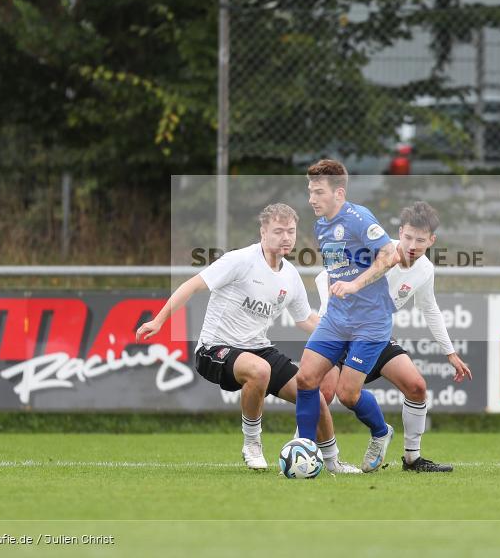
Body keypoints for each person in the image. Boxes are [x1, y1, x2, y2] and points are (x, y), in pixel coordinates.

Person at [136, 203, 360, 474]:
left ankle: (333, 462)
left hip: (258, 349)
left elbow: (306, 320)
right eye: (278, 231)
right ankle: (252, 443)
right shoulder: (239, 260)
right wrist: (159, 320)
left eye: (290, 231)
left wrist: (342, 339)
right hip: (215, 349)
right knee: (260, 369)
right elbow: (191, 285)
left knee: (314, 396)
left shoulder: (290, 275)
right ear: (263, 232)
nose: (286, 237)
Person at [316, 201, 472, 472]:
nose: (412, 245)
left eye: (420, 240)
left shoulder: (425, 270)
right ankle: (304, 448)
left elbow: (429, 309)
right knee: (326, 393)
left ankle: (412, 459)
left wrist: (450, 352)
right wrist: (327, 313)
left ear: (431, 241)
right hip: (342, 331)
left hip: (375, 335)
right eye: (408, 237)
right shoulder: (376, 250)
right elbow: (323, 276)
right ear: (399, 232)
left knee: (417, 387)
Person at [294, 159, 398, 472]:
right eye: (310, 192)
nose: (312, 199)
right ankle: (306, 452)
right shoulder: (321, 225)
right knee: (306, 378)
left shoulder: (358, 217)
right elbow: (338, 266)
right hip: (336, 319)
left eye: (319, 192)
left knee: (348, 394)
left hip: (370, 322)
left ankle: (381, 432)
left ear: (339, 193)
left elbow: (390, 255)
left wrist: (355, 285)